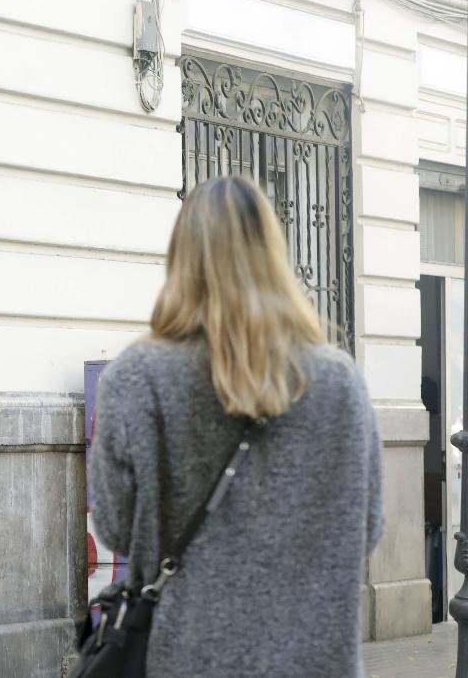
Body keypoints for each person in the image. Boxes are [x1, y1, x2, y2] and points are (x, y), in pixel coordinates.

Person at [89, 176, 384, 678]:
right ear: (274, 256)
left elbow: (115, 527)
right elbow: (367, 529)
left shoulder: (136, 378)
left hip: (184, 660)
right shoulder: (339, 384)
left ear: (181, 261)